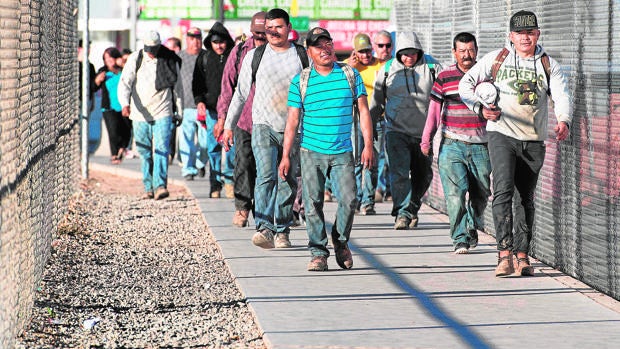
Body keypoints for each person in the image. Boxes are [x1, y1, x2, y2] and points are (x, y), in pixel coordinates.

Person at [459, 10, 572, 276]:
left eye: (530, 32)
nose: (525, 38)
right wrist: (479, 109)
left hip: (533, 139)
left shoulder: (548, 64)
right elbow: (466, 84)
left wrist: (564, 119)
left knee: (526, 198)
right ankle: (504, 254)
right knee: (503, 191)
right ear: (511, 36)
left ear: (537, 34)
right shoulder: (497, 59)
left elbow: (561, 93)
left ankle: (523, 256)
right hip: (502, 134)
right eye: (520, 33)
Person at [279, 27, 375, 271]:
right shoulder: (300, 81)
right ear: (309, 51)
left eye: (327, 43)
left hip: (343, 150)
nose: (325, 49)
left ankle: (341, 241)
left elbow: (363, 112)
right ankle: (318, 252)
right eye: (318, 46)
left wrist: (368, 146)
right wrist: (285, 156)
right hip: (310, 151)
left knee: (350, 199)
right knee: (312, 204)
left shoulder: (350, 75)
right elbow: (292, 121)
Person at [223, 8, 308, 249]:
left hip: (294, 127)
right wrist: (229, 126)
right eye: (269, 28)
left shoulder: (301, 56)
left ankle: (282, 230)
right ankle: (264, 227)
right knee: (266, 176)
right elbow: (239, 94)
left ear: (289, 28)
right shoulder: (255, 56)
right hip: (262, 124)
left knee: (288, 178)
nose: (273, 32)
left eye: (278, 27)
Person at [421, 32, 491, 254]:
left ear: (476, 50)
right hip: (452, 144)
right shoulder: (445, 77)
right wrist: (426, 140)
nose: (467, 55)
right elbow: (433, 112)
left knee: (481, 193)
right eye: (462, 51)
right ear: (454, 52)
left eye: (470, 50)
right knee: (455, 194)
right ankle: (459, 238)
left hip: (482, 144)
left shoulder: (487, 76)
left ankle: (472, 223)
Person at [370, 32, 443, 230]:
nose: (408, 57)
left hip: (425, 134)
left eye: (412, 53)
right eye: (404, 53)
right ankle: (402, 213)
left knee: (424, 174)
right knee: (399, 172)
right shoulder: (387, 69)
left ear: (419, 51)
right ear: (398, 53)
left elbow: (444, 97)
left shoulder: (432, 67)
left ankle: (412, 207)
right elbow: (376, 101)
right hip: (396, 130)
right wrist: (370, 126)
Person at [214, 11, 267, 227]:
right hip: (244, 120)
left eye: (264, 34)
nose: (261, 39)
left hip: (272, 121)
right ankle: (243, 208)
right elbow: (227, 87)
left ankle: (265, 216)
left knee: (267, 170)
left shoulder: (281, 52)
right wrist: (222, 119)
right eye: (257, 34)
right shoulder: (239, 52)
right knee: (243, 164)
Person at [117, 30, 183, 200]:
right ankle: (148, 186)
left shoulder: (170, 60)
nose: (151, 52)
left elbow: (178, 88)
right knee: (145, 151)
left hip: (163, 110)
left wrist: (179, 111)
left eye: (154, 48)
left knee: (161, 148)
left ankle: (160, 185)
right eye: (148, 49)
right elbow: (125, 83)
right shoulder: (135, 59)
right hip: (140, 112)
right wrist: (125, 104)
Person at [193, 22, 235, 198]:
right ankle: (215, 184)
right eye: (215, 42)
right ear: (210, 42)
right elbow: (197, 82)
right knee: (213, 147)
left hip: (233, 111)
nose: (219, 45)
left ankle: (231, 182)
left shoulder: (234, 57)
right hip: (211, 110)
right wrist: (199, 101)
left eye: (222, 42)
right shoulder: (204, 58)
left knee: (232, 148)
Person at [344, 32, 384, 216]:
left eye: (368, 51)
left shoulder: (380, 65)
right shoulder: (348, 66)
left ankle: (368, 201)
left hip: (377, 118)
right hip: (356, 119)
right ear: (354, 52)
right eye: (361, 52)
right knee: (357, 161)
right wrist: (349, 67)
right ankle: (357, 199)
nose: (366, 55)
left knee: (372, 161)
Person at [177, 27, 207, 181]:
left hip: (204, 106)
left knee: (206, 141)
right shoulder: (179, 57)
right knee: (186, 139)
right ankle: (188, 169)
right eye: (192, 38)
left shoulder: (207, 56)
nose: (195, 41)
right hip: (186, 106)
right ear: (186, 39)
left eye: (198, 38)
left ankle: (200, 163)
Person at [95, 47, 132, 165]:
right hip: (109, 106)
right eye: (106, 58)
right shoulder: (103, 72)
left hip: (124, 105)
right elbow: (93, 87)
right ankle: (114, 154)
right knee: (113, 130)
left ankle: (123, 147)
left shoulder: (124, 70)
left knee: (127, 129)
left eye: (110, 57)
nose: (109, 60)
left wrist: (123, 63)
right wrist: (98, 81)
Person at [371, 30, 394, 203]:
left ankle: (389, 189)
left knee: (390, 157)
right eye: (380, 46)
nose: (384, 49)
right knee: (377, 156)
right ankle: (377, 188)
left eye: (388, 45)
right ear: (374, 46)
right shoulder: (367, 63)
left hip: (394, 118)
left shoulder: (397, 64)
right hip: (373, 118)